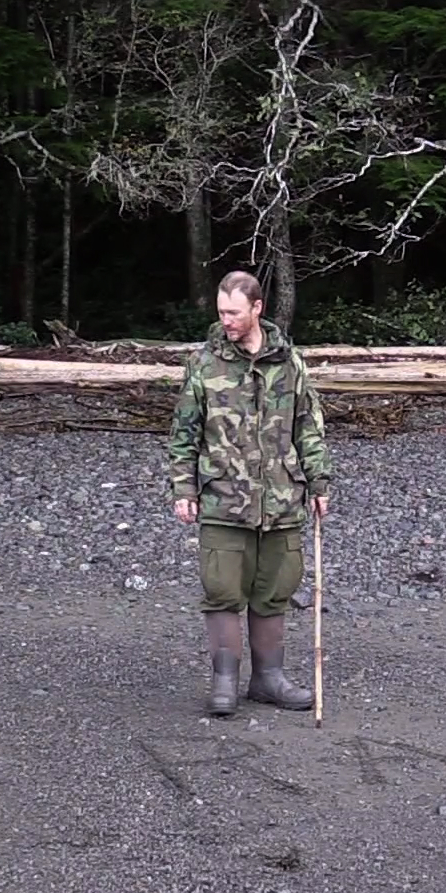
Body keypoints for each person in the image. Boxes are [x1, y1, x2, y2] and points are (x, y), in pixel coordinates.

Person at [167, 270, 332, 717]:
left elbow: (308, 426)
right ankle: (224, 683)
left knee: (275, 589)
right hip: (223, 498)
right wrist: (183, 487)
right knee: (222, 590)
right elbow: (184, 433)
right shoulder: (204, 364)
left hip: (281, 499)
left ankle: (267, 679)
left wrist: (319, 482)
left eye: (234, 313)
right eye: (221, 312)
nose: (226, 321)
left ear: (257, 308)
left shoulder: (289, 362)